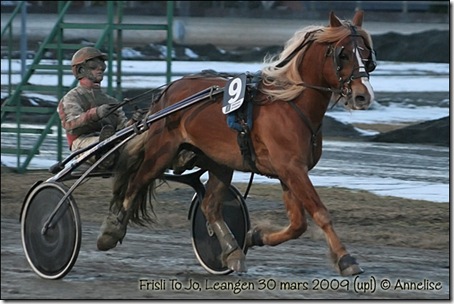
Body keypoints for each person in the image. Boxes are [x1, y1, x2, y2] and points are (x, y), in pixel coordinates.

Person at [58, 46, 141, 169]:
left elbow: (123, 129)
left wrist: (135, 121)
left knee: (135, 141)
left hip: (112, 140)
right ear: (81, 71)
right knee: (107, 141)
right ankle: (106, 152)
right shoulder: (72, 98)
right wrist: (95, 113)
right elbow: (69, 124)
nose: (99, 70)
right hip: (82, 143)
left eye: (102, 68)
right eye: (93, 68)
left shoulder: (110, 101)